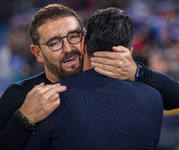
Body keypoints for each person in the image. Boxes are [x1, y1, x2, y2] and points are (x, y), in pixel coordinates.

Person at [0, 4, 179, 150]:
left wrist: (138, 71)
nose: (69, 49)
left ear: (84, 39)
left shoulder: (112, 88)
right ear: (37, 53)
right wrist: (24, 120)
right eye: (54, 43)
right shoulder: (20, 94)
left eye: (73, 36)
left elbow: (175, 96)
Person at [24, 7, 163, 150]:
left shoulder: (53, 99)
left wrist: (23, 119)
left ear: (84, 44)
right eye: (54, 43)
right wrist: (138, 72)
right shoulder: (154, 98)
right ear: (129, 52)